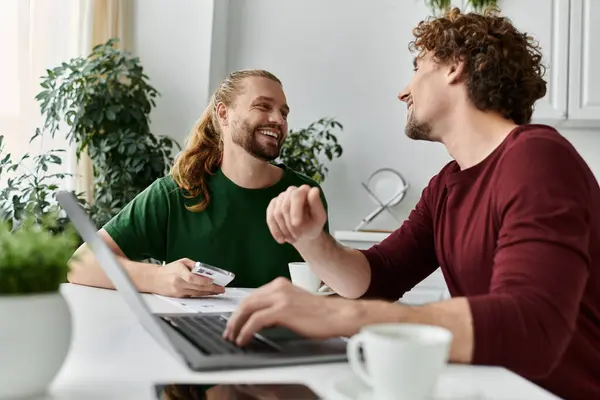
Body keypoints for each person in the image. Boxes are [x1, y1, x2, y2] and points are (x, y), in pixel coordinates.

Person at [223, 7, 600, 400]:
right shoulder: (447, 187)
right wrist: (311, 240)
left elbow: (532, 325)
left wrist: (338, 316)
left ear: (455, 66)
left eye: (417, 67)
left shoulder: (537, 157)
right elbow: (376, 278)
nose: (403, 90)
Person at [68, 69, 329, 298]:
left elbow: (331, 280)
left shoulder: (305, 197)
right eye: (263, 106)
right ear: (223, 114)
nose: (278, 120)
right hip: (192, 343)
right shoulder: (175, 192)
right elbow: (81, 264)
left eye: (284, 113)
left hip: (284, 345)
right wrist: (157, 278)